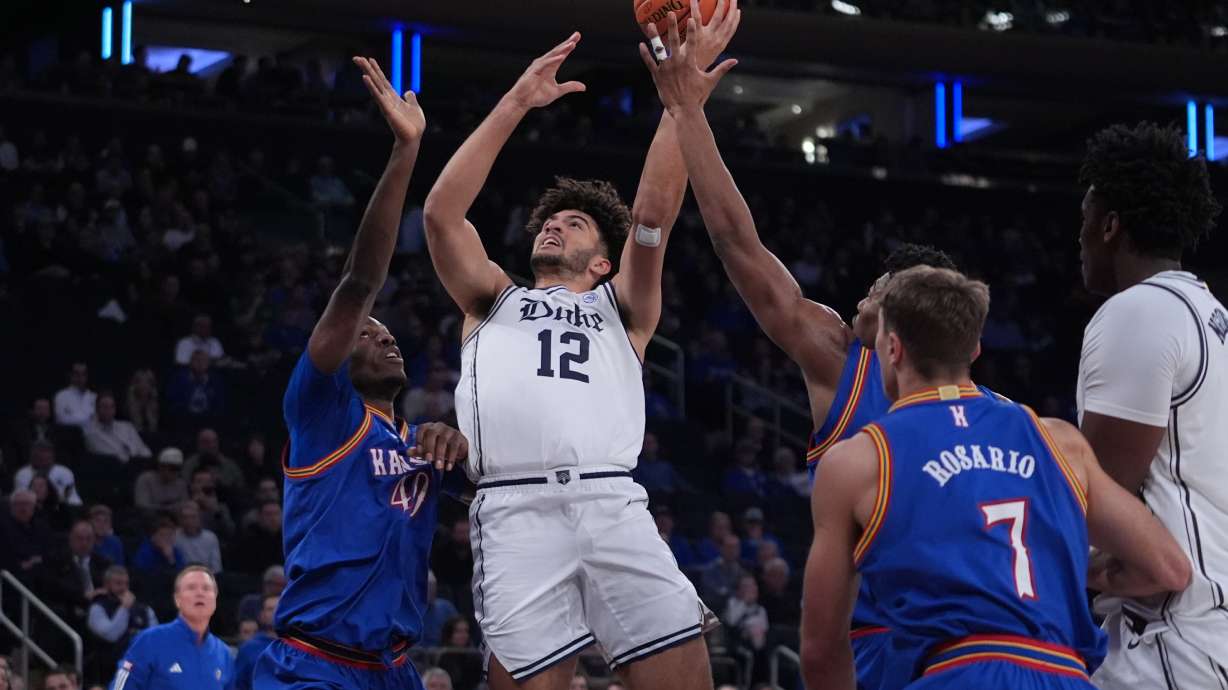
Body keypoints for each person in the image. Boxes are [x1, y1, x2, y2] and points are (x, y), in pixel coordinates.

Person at [637, 16, 958, 689]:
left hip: (947, 639)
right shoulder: (847, 362)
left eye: (875, 291)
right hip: (889, 637)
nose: (858, 299)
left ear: (905, 314)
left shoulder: (953, 398)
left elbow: (736, 244)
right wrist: (688, 112)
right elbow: (738, 245)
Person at [423, 8, 738, 686]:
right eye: (550, 222)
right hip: (514, 510)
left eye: (574, 224)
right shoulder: (491, 299)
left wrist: (682, 101)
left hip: (610, 505)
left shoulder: (622, 307)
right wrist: (516, 101)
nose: (556, 229)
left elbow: (653, 215)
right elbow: (442, 214)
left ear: (603, 261)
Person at [796, 267, 1192, 689]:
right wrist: (1069, 568)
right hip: (1065, 673)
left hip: (960, 671)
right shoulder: (1057, 441)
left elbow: (821, 649)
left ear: (892, 349)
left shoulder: (862, 458)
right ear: (975, 351)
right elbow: (1167, 569)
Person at [253, 56, 468, 690]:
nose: (384, 337)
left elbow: (499, 495)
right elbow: (359, 283)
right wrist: (407, 150)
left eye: (391, 334)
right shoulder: (322, 412)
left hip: (395, 668)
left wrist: (461, 448)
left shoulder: (418, 445)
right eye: (369, 334)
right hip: (313, 664)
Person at [1073, 123, 1227, 689]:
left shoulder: (1142, 310)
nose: (1080, 240)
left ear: (1111, 227)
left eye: (1085, 223)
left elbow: (1098, 495)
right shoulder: (1211, 315)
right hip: (1207, 628)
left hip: (1168, 637)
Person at [108, 566, 232, 689]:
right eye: (191, 588)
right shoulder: (150, 641)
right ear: (177, 599)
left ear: (215, 599)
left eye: (206, 588)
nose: (200, 593)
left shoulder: (224, 654)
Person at [88, 566, 156, 679]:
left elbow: (154, 639)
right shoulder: (97, 608)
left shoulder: (144, 610)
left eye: (126, 584)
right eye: (118, 584)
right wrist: (124, 608)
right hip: (109, 669)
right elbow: (111, 635)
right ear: (107, 585)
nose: (124, 588)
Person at [82, 392, 151, 464]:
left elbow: (145, 450)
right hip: (114, 469)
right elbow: (113, 457)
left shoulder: (127, 427)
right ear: (97, 409)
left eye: (112, 407)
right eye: (105, 407)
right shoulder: (91, 433)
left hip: (138, 464)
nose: (109, 410)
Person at [14, 441, 82, 507]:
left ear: (52, 456)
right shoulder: (22, 474)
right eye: (39, 458)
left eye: (47, 457)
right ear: (32, 457)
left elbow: (70, 495)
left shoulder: (64, 472)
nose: (43, 460)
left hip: (61, 507)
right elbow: (20, 498)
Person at [231, 595, 277, 690]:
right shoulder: (248, 649)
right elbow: (238, 685)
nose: (275, 611)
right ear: (262, 615)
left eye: (279, 607)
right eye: (270, 609)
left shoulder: (295, 646)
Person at [133, 448, 189, 517]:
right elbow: (142, 505)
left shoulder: (181, 484)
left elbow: (184, 505)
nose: (175, 473)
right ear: (160, 466)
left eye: (177, 469)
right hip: (148, 519)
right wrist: (167, 509)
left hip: (174, 520)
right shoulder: (145, 479)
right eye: (172, 468)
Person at [174, 500, 222, 574]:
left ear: (199, 518)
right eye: (185, 517)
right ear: (180, 520)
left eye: (193, 517)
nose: (189, 521)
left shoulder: (210, 537)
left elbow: (217, 568)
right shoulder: (175, 536)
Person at [54, 362, 96, 428]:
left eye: (83, 374)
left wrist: (74, 417)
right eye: (77, 373)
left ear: (86, 376)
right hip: (70, 435)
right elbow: (61, 420)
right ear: (71, 375)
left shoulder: (94, 397)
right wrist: (88, 420)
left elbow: (98, 421)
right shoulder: (61, 396)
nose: (80, 377)